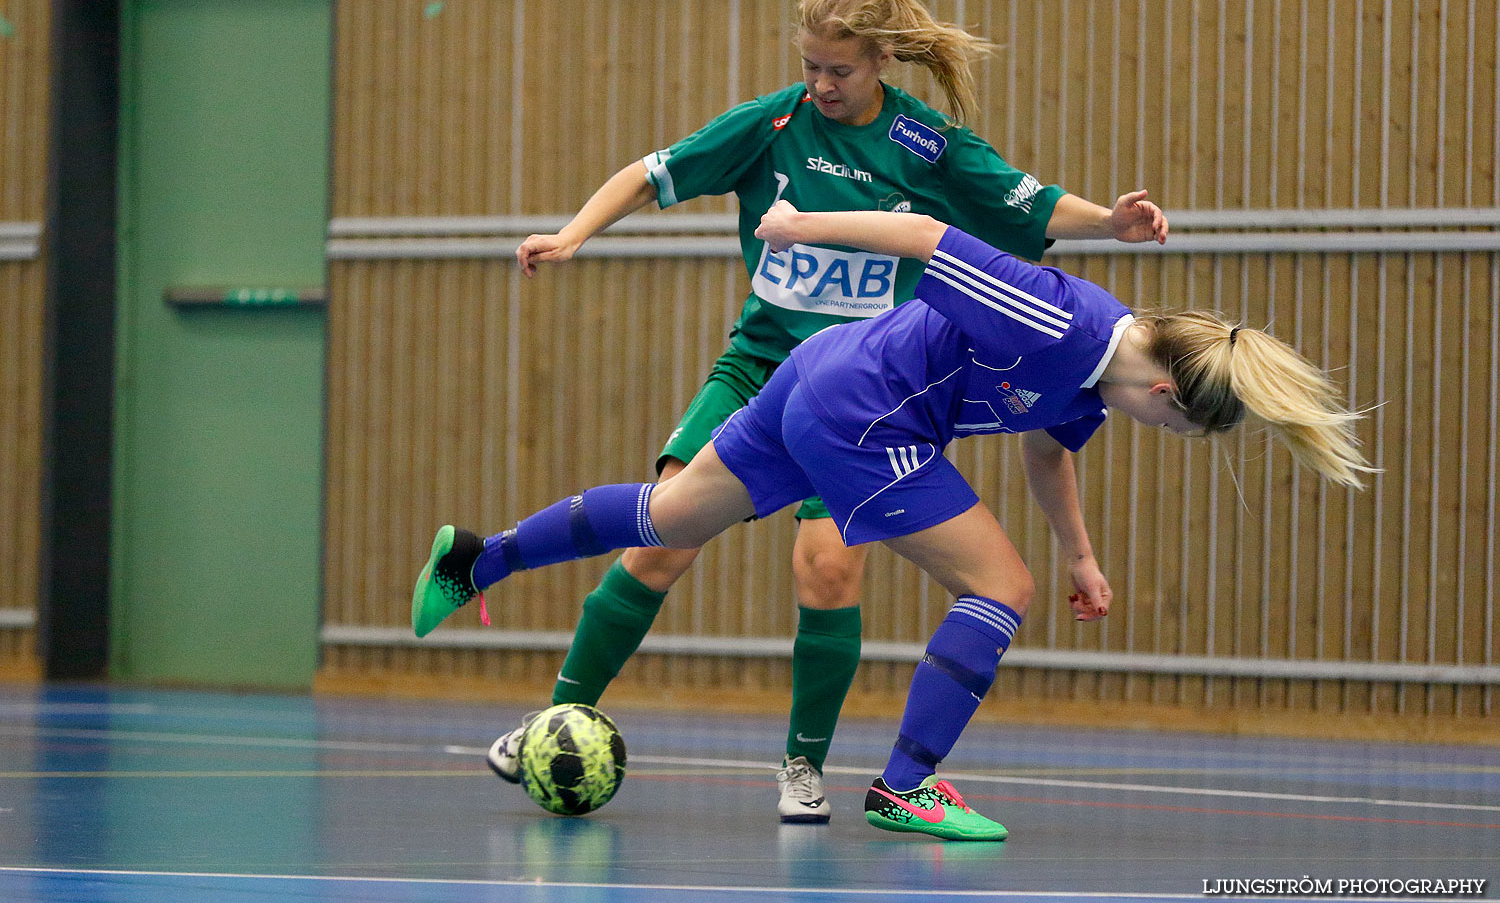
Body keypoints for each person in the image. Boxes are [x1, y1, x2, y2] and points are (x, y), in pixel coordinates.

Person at [413, 202, 1373, 842]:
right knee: (1000, 589)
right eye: (1176, 423)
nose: (1163, 430)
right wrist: (795, 223)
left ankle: (476, 560)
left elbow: (1048, 450)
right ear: (1167, 388)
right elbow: (925, 238)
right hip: (867, 409)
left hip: (823, 379)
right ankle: (908, 786)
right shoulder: (1060, 321)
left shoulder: (1092, 379)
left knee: (668, 515)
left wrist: (1082, 555)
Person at [490, 0, 1168, 824]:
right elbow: (650, 172)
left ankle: (801, 769)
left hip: (865, 396)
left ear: (881, 59)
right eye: (810, 65)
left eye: (839, 70)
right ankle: (554, 715)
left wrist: (1110, 221)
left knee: (827, 566)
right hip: (760, 368)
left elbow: (1027, 202)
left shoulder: (925, 144)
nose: (821, 84)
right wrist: (573, 233)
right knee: (662, 539)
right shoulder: (773, 124)